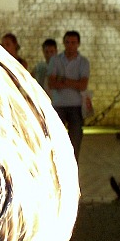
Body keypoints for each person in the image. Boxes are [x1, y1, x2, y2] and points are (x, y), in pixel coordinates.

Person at [47, 30, 90, 161]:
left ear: (78, 44)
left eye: (73, 42)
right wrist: (74, 82)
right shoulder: (55, 60)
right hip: (58, 104)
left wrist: (63, 80)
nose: (70, 45)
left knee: (75, 141)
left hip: (76, 105)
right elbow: (52, 83)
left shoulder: (83, 62)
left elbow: (83, 85)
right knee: (55, 140)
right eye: (67, 42)